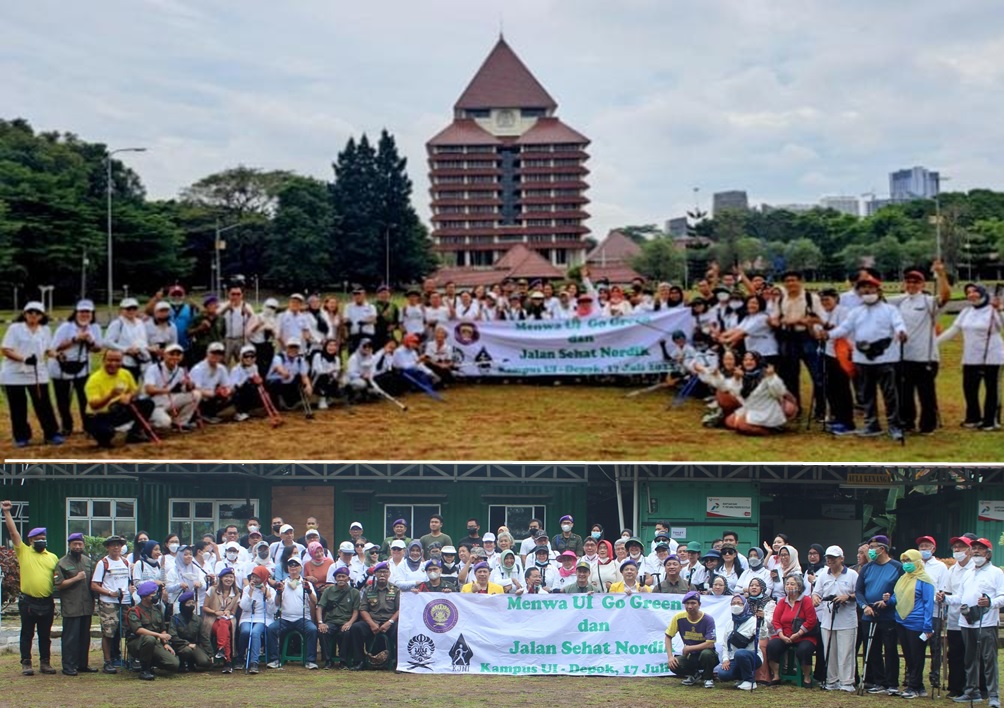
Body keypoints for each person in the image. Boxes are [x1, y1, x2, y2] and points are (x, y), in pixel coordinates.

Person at [823, 273, 908, 440]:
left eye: (870, 288)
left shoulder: (890, 309)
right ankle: (871, 425)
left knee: (890, 394)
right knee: (866, 394)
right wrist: (828, 335)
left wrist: (901, 332)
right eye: (863, 288)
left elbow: (899, 324)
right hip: (862, 358)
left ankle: (894, 426)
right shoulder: (856, 312)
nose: (867, 291)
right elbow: (844, 328)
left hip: (886, 357)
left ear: (878, 290)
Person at [943, 537, 1004, 706]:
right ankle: (971, 691)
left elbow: (1002, 596)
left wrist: (991, 602)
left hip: (986, 622)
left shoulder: (996, 573)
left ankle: (993, 696)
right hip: (966, 621)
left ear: (988, 553)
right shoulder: (969, 573)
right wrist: (945, 599)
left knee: (988, 659)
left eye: (981, 548)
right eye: (974, 548)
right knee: (969, 659)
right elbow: (961, 596)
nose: (976, 551)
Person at [891, 263, 951, 434]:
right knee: (904, 393)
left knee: (926, 394)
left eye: (916, 282)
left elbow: (946, 296)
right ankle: (907, 423)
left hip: (925, 356)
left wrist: (941, 274)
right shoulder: (900, 301)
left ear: (923, 285)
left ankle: (927, 426)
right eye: (908, 282)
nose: (911, 285)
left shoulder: (928, 301)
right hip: (903, 355)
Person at [937, 283, 1004, 431]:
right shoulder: (966, 311)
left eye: (975, 291)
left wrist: (999, 311)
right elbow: (953, 330)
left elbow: (1001, 325)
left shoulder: (992, 310)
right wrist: (934, 343)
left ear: (983, 293)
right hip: (970, 357)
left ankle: (990, 420)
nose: (971, 294)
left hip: (992, 356)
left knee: (991, 389)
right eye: (968, 292)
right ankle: (973, 417)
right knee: (969, 388)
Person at [2, 502, 58, 676]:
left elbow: (58, 578)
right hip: (28, 601)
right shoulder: (24, 552)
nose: (41, 541)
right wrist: (7, 512)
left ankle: (45, 663)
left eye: (43, 538)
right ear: (30, 541)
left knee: (45, 635)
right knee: (27, 633)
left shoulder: (53, 557)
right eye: (37, 539)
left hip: (47, 601)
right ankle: (26, 663)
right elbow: (13, 533)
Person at [2, 301, 64, 447]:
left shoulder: (45, 330)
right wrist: (24, 359)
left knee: (43, 404)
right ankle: (21, 436)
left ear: (42, 315)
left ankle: (51, 434)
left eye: (37, 312)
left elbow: (48, 350)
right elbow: (6, 350)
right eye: (30, 312)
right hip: (14, 373)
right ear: (24, 314)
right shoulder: (15, 328)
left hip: (37, 373)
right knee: (18, 406)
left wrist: (57, 355)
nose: (33, 315)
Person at [857, 534, 904, 695]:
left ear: (882, 549)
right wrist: (864, 606)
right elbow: (859, 591)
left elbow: (901, 590)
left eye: (872, 548)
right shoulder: (867, 568)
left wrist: (888, 601)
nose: (869, 551)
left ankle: (892, 683)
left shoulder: (897, 567)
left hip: (888, 615)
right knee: (872, 649)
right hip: (868, 615)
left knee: (890, 649)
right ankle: (878, 681)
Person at [885, 549, 935, 698]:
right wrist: (889, 599)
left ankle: (913, 686)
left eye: (909, 561)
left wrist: (927, 625)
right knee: (908, 655)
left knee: (917, 655)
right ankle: (918, 686)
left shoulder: (925, 580)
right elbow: (896, 598)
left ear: (917, 562)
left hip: (917, 623)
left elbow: (928, 605)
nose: (906, 564)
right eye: (904, 561)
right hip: (901, 621)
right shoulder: (903, 579)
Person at [50, 299, 103, 437]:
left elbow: (98, 349)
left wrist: (90, 341)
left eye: (88, 312)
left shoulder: (95, 328)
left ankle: (88, 427)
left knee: (85, 398)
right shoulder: (65, 327)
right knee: (63, 400)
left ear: (92, 314)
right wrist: (75, 339)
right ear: (76, 313)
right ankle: (66, 426)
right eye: (81, 312)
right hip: (61, 367)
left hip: (82, 367)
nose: (84, 314)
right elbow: (54, 347)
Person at [84, 349, 156, 448]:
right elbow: (94, 405)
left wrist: (129, 396)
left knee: (147, 403)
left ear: (122, 361)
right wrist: (110, 395)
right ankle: (102, 435)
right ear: (103, 361)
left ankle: (134, 433)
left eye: (117, 360)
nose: (113, 364)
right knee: (106, 436)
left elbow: (135, 390)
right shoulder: (94, 379)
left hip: (118, 410)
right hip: (98, 415)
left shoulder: (125, 373)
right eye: (110, 360)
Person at [811, 545, 859, 692]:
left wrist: (848, 597)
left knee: (846, 652)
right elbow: (816, 593)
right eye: (828, 558)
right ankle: (831, 680)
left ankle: (846, 682)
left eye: (833, 558)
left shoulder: (852, 574)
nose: (830, 560)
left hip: (847, 619)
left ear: (841, 559)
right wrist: (816, 598)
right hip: (827, 619)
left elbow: (860, 595)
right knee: (829, 651)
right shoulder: (823, 575)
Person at [53, 531, 96, 675]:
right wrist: (76, 578)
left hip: (86, 606)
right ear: (69, 545)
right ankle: (68, 666)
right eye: (74, 544)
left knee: (84, 637)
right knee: (70, 638)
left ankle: (82, 664)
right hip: (72, 606)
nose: (77, 547)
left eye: (80, 544)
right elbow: (59, 585)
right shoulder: (62, 562)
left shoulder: (88, 561)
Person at [265, 557, 319, 669]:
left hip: (302, 618)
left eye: (296, 565)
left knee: (312, 630)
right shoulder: (282, 583)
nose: (293, 567)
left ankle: (310, 660)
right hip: (285, 619)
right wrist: (279, 593)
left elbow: (315, 601)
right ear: (287, 568)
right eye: (290, 565)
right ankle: (274, 659)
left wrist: (309, 591)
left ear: (300, 567)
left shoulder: (306, 583)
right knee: (271, 629)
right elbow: (276, 603)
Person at [90, 535, 133, 674]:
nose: (116, 547)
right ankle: (107, 661)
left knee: (127, 630)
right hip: (109, 602)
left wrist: (130, 589)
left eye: (119, 545)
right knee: (108, 632)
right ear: (108, 547)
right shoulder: (103, 563)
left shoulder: (126, 562)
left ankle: (124, 658)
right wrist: (109, 593)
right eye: (113, 545)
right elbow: (94, 585)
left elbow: (129, 582)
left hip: (125, 601)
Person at [767, 573, 817, 688]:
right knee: (772, 646)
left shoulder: (806, 601)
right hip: (784, 634)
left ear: (799, 586)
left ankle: (806, 677)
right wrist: (781, 634)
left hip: (803, 635)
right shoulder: (782, 602)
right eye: (787, 584)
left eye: (792, 584)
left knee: (804, 650)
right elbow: (776, 620)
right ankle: (776, 675)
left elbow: (811, 620)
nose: (789, 586)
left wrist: (798, 634)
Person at [940, 535, 974, 698]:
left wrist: (948, 599)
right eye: (955, 547)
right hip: (954, 619)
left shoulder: (974, 569)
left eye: (961, 547)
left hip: (972, 619)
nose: (957, 550)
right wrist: (942, 598)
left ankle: (974, 686)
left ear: (969, 550)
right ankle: (956, 686)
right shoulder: (952, 569)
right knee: (955, 653)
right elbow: (947, 591)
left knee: (972, 655)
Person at [348, 563, 399, 670]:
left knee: (400, 630)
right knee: (356, 628)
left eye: (385, 572)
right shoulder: (368, 590)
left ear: (389, 574)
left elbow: (399, 610)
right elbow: (363, 609)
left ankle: (397, 661)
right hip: (373, 621)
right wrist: (371, 624)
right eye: (379, 572)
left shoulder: (395, 590)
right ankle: (359, 661)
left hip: (389, 621)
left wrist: (389, 622)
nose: (382, 574)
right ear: (375, 573)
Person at [914, 535, 949, 690]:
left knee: (935, 646)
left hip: (934, 611)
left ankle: (935, 675)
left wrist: (933, 598)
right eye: (921, 547)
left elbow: (942, 589)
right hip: (916, 612)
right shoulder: (914, 565)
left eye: (927, 546)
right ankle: (913, 675)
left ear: (933, 549)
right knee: (915, 645)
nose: (924, 549)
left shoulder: (940, 567)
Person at [127, 581, 180, 680]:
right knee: (149, 639)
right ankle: (144, 670)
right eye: (152, 595)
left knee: (174, 664)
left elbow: (163, 628)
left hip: (155, 642)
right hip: (138, 643)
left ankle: (151, 663)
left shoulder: (157, 609)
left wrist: (165, 643)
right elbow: (138, 630)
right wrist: (159, 636)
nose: (155, 597)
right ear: (144, 597)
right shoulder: (135, 611)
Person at [141, 343, 200, 430]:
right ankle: (145, 424)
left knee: (196, 394)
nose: (175, 357)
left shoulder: (180, 370)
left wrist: (189, 385)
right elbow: (149, 389)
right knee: (165, 424)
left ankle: (180, 422)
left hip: (169, 399)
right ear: (164, 355)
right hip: (154, 402)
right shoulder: (153, 368)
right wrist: (167, 390)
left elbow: (184, 389)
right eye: (171, 354)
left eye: (178, 354)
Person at [666, 591, 718, 688]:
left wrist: (689, 648)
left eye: (693, 603)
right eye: (687, 603)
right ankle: (694, 675)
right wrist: (670, 656)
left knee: (706, 654)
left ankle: (708, 678)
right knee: (674, 664)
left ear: (699, 605)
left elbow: (710, 644)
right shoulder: (678, 618)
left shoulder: (708, 619)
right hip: (691, 657)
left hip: (708, 655)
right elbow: (668, 636)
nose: (690, 606)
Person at [317, 566, 361, 668]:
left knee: (346, 633)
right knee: (322, 631)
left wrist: (349, 623)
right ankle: (328, 660)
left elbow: (356, 611)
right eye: (338, 576)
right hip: (331, 621)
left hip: (346, 621)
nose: (341, 579)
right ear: (335, 578)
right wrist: (320, 622)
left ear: (348, 578)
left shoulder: (354, 592)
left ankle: (343, 661)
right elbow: (320, 607)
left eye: (343, 576)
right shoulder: (328, 591)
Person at [717, 594, 761, 690]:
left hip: (752, 656)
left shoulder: (753, 621)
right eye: (733, 603)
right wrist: (725, 659)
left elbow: (763, 635)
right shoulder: (729, 623)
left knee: (740, 653)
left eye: (739, 603)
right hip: (734, 658)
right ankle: (742, 678)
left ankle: (750, 681)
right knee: (723, 674)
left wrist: (761, 621)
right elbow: (725, 644)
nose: (736, 606)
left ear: (745, 605)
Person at [238, 566, 276, 674]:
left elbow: (272, 610)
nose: (254, 579)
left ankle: (254, 662)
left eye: (257, 577)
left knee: (255, 632)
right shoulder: (247, 589)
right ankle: (241, 658)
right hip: (248, 617)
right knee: (245, 631)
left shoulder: (270, 590)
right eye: (253, 576)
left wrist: (267, 596)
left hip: (263, 618)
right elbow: (244, 607)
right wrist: (250, 592)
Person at [203, 567, 240, 673]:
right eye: (226, 577)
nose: (229, 579)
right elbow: (205, 607)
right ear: (221, 578)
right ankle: (227, 661)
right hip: (213, 619)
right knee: (224, 631)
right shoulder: (212, 590)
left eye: (231, 577)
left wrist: (228, 612)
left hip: (228, 619)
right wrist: (215, 612)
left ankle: (221, 649)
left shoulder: (236, 593)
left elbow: (233, 611)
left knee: (224, 624)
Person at [104, 298, 150, 382]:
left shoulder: (140, 322)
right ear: (121, 310)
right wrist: (126, 349)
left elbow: (144, 341)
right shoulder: (117, 323)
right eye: (128, 309)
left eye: (134, 308)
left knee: (136, 387)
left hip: (140, 361)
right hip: (123, 362)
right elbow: (107, 342)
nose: (131, 311)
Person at [169, 590, 212, 672]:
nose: (191, 605)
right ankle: (182, 663)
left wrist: (210, 654)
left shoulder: (198, 619)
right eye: (188, 603)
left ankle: (192, 663)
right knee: (187, 650)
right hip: (179, 645)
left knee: (205, 662)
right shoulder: (175, 619)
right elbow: (173, 636)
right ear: (183, 605)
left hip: (194, 645)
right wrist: (187, 644)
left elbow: (204, 637)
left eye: (193, 603)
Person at [189, 342, 232, 423]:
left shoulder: (222, 368)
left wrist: (225, 391)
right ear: (207, 353)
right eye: (213, 353)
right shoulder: (198, 368)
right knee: (197, 395)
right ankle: (197, 416)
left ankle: (209, 414)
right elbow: (195, 389)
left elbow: (227, 385)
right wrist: (213, 393)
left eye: (219, 353)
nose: (216, 356)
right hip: (200, 397)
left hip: (211, 396)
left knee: (230, 395)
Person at [266, 338, 312, 411]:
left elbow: (304, 375)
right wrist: (285, 373)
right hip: (275, 383)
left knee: (300, 383)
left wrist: (308, 386)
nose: (293, 350)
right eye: (291, 347)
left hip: (288, 382)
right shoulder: (278, 357)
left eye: (295, 348)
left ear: (298, 349)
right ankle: (275, 404)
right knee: (276, 383)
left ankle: (288, 403)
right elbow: (279, 368)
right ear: (286, 347)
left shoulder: (300, 360)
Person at [218, 286, 257, 365]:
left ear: (242, 295)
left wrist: (248, 313)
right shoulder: (223, 305)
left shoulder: (247, 306)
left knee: (243, 363)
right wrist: (226, 308)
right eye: (233, 294)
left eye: (238, 294)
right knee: (222, 363)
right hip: (226, 339)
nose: (235, 296)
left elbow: (255, 320)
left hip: (241, 339)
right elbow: (215, 316)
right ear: (228, 294)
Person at [311, 338, 342, 410]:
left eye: (334, 346)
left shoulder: (337, 359)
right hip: (317, 380)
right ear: (325, 346)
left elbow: (336, 372)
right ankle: (322, 399)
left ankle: (329, 397)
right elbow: (318, 370)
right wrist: (330, 371)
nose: (332, 348)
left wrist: (335, 374)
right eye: (330, 345)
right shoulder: (318, 356)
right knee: (324, 376)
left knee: (336, 380)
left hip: (330, 379)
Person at [345, 286, 377, 353]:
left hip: (367, 335)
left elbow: (373, 319)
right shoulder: (348, 307)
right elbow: (346, 319)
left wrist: (365, 321)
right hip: (354, 336)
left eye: (359, 294)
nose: (357, 296)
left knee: (367, 358)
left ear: (364, 295)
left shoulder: (371, 307)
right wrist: (347, 322)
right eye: (355, 294)